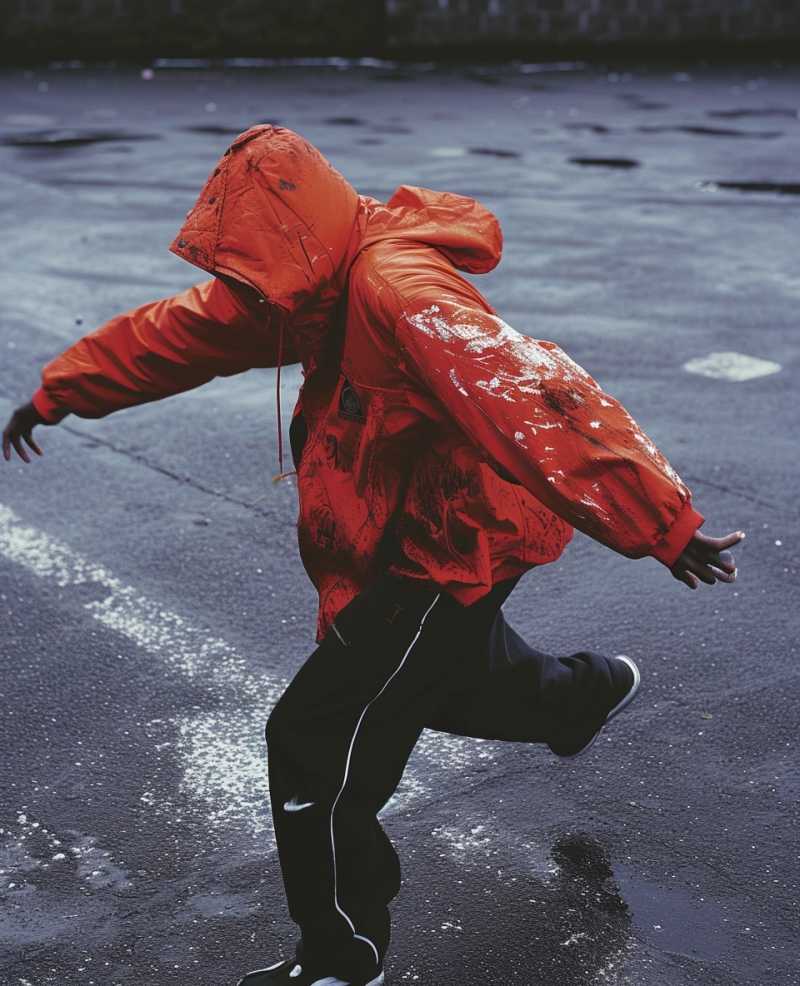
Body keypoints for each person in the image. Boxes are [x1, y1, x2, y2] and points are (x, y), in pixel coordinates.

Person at [2, 125, 742, 986]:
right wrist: (61, 391)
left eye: (252, 269)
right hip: (413, 534)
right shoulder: (299, 285)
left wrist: (660, 522)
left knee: (313, 736)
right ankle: (580, 696)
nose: (246, 291)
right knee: (439, 682)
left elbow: (532, 395)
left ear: (295, 236)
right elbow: (182, 332)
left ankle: (340, 955)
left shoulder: (398, 286)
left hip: (443, 549)